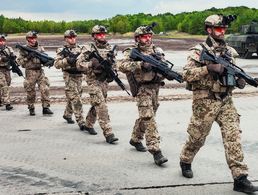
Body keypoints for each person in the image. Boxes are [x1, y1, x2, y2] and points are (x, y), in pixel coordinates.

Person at [179, 14, 258, 193]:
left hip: (225, 100)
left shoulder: (229, 51)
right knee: (197, 138)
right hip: (205, 101)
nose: (222, 32)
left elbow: (233, 74)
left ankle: (240, 177)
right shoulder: (198, 51)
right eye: (218, 29)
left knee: (233, 137)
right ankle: (185, 160)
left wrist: (239, 81)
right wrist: (207, 68)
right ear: (209, 30)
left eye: (224, 29)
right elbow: (185, 74)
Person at [118, 25, 168, 166]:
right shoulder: (132, 51)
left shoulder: (157, 50)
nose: (148, 39)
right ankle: (156, 150)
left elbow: (164, 65)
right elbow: (121, 65)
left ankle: (135, 138)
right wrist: (140, 64)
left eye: (149, 36)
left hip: (155, 88)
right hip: (142, 89)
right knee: (148, 117)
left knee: (146, 116)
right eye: (145, 37)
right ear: (137, 38)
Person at [76, 25, 118, 143]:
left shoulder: (110, 48)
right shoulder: (88, 48)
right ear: (94, 36)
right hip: (93, 81)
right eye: (99, 34)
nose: (102, 36)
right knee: (101, 105)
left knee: (99, 103)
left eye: (103, 34)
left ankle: (89, 123)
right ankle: (108, 133)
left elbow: (115, 64)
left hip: (104, 81)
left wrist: (113, 72)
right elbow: (78, 64)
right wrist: (91, 64)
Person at [54, 30, 94, 133]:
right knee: (76, 99)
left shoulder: (81, 49)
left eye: (74, 37)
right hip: (69, 76)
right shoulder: (61, 50)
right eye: (70, 37)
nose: (72, 39)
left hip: (79, 76)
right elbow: (57, 64)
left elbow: (86, 60)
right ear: (66, 38)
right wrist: (67, 61)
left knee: (74, 97)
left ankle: (67, 114)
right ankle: (81, 122)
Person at [17, 31, 53, 116]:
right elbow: (19, 62)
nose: (32, 40)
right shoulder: (23, 49)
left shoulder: (40, 48)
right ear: (27, 39)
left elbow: (44, 58)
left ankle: (46, 108)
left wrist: (48, 62)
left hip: (40, 71)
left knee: (45, 89)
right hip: (30, 72)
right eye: (30, 38)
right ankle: (31, 108)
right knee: (30, 92)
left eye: (34, 38)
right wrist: (28, 58)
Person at [0, 34, 14, 110]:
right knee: (4, 85)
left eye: (3, 41)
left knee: (8, 83)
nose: (1, 43)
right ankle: (7, 103)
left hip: (7, 69)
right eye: (0, 41)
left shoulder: (9, 49)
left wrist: (12, 58)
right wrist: (2, 59)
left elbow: (13, 57)